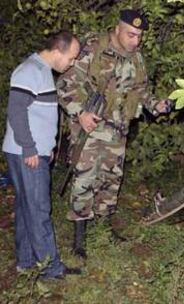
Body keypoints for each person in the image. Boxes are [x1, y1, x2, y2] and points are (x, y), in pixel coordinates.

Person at [57, 9, 171, 259]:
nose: (136, 41)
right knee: (85, 180)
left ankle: (105, 227)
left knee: (111, 180)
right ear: (117, 29)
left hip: (118, 130)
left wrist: (156, 105)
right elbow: (66, 85)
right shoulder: (93, 48)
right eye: (131, 34)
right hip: (90, 129)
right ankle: (79, 239)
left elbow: (141, 91)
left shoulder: (137, 58)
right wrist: (81, 114)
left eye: (140, 36)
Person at [2, 31, 82, 279]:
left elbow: (38, 114)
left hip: (32, 151)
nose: (72, 63)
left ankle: (26, 262)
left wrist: (48, 147)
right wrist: (30, 148)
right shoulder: (29, 71)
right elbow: (16, 112)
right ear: (58, 50)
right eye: (71, 58)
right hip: (27, 153)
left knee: (28, 207)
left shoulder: (42, 71)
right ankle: (51, 269)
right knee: (39, 210)